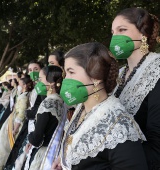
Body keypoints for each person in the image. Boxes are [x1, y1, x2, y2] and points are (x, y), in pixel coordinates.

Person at [52, 42, 148, 170]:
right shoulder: (82, 108)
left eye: (71, 72)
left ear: (96, 77)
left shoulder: (118, 125)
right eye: (65, 73)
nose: (65, 80)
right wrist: (63, 161)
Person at [109, 7, 160, 170]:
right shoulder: (120, 74)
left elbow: (157, 145)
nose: (115, 37)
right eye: (113, 32)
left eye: (122, 30)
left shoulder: (157, 69)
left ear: (143, 34)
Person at [18, 65, 64, 170]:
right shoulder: (61, 101)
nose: (38, 82)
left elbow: (36, 139)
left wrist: (30, 137)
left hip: (44, 155)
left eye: (40, 79)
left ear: (51, 83)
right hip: (56, 152)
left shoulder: (47, 103)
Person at [4, 60, 44, 170]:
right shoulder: (35, 88)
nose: (33, 72)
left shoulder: (43, 88)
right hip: (28, 124)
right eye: (30, 70)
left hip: (37, 126)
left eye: (36, 69)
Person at [0, 76, 33, 170]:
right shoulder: (24, 94)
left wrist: (15, 128)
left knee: (6, 145)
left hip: (15, 123)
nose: (18, 86)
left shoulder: (24, 97)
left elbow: (21, 114)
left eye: (20, 84)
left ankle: (3, 164)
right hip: (11, 120)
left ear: (25, 86)